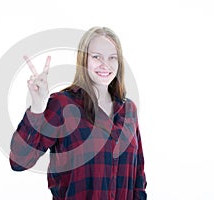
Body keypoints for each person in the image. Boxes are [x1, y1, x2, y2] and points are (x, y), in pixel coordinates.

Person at [9, 27, 147, 200]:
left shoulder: (129, 110)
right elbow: (20, 161)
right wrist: (37, 107)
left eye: (112, 57)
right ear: (83, 60)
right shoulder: (63, 104)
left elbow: (138, 178)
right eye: (96, 57)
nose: (105, 64)